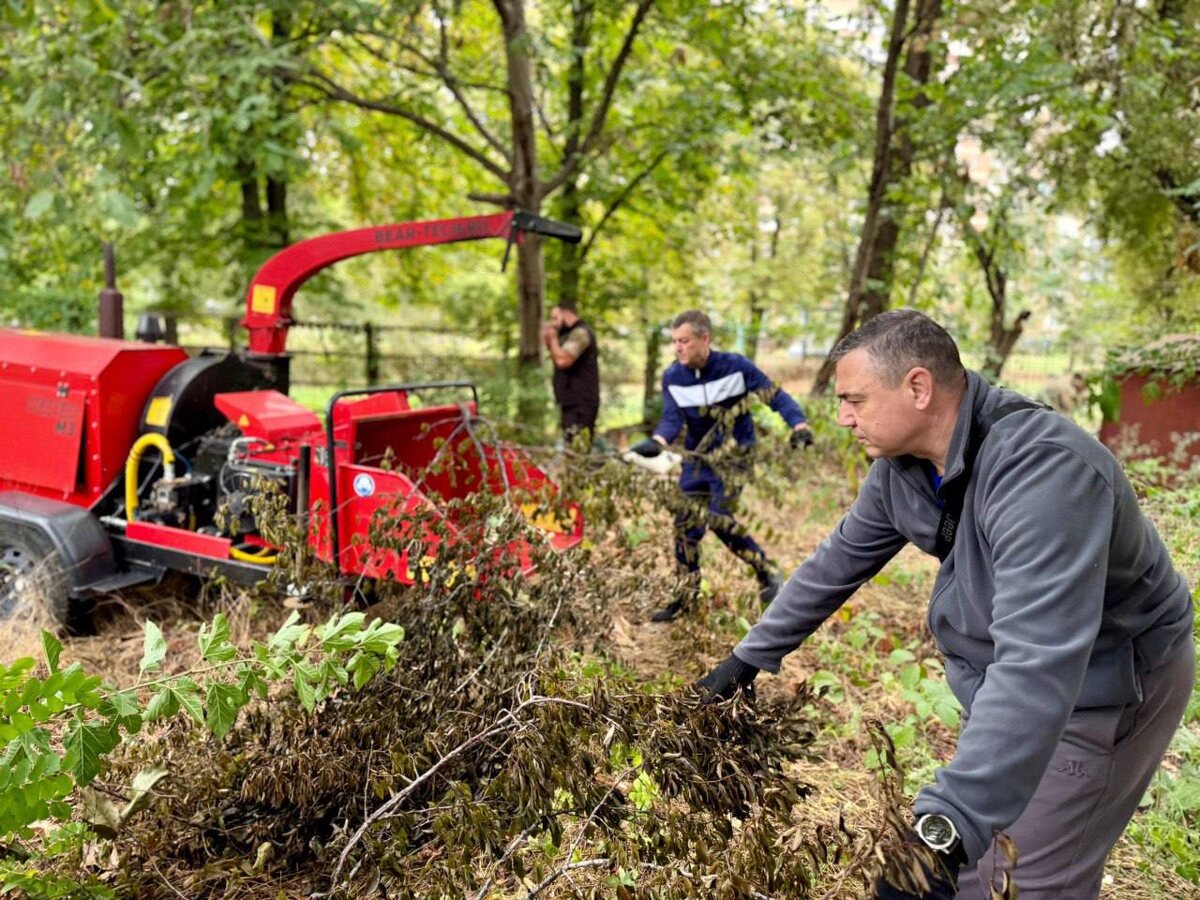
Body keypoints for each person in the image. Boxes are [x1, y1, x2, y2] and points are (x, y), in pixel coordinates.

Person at [697, 310, 1195, 899]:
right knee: (982, 868)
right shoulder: (902, 469)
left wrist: (943, 829)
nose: (842, 417)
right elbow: (834, 565)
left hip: (1101, 686)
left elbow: (1038, 663)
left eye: (854, 399)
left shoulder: (1044, 471)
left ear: (917, 387)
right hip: (1011, 682)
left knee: (1026, 881)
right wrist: (746, 660)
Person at [629, 310, 814, 622]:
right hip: (697, 459)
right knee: (685, 523)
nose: (678, 348)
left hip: (734, 455)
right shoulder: (673, 376)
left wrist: (799, 425)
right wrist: (658, 442)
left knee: (718, 517)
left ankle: (765, 570)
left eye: (684, 341)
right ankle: (686, 596)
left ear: (705, 339)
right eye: (675, 342)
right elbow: (672, 419)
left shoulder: (735, 367)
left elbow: (774, 396)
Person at [543, 303, 601, 452]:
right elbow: (557, 356)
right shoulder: (565, 335)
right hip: (569, 401)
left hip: (581, 402)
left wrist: (553, 339)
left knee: (578, 450)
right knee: (570, 447)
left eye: (555, 318)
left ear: (567, 314)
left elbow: (563, 361)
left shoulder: (580, 333)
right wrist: (549, 340)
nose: (553, 323)